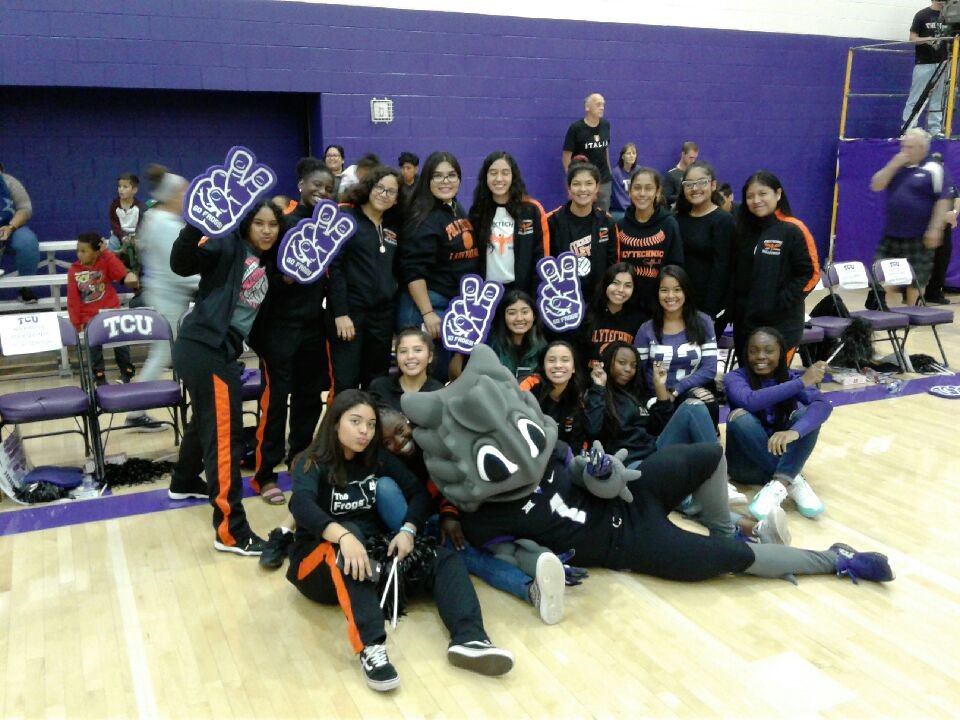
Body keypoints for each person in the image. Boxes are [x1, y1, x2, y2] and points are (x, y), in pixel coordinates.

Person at [404, 344, 895, 589]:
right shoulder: (487, 514)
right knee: (730, 564)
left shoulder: (552, 453)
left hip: (633, 494)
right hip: (631, 544)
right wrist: (538, 571)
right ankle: (836, 559)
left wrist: (605, 475)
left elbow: (587, 474)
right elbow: (501, 556)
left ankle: (727, 528)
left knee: (706, 453)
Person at [286, 389, 514, 692]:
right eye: (355, 422)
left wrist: (408, 530)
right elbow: (300, 505)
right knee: (349, 545)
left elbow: (419, 493)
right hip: (315, 564)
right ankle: (372, 648)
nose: (364, 431)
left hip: (371, 554)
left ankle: (470, 638)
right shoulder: (310, 461)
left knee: (443, 559)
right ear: (335, 422)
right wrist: (342, 535)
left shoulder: (376, 458)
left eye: (369, 425)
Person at [167, 199, 284, 556]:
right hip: (205, 346)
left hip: (218, 349)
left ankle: (184, 481)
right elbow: (182, 263)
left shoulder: (269, 262)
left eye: (273, 225)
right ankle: (231, 531)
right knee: (224, 437)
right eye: (259, 223)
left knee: (207, 423)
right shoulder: (227, 244)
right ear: (247, 224)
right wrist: (194, 227)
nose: (266, 230)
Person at [248, 158, 335, 506]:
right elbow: (257, 275)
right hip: (278, 328)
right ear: (301, 184)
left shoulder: (331, 229)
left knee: (309, 398)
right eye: (316, 185)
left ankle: (299, 459)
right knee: (275, 402)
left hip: (313, 326)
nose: (322, 192)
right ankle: (264, 473)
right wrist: (281, 279)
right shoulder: (283, 225)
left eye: (329, 188)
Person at [726, 327, 831, 520]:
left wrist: (795, 432)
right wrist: (801, 383)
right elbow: (750, 401)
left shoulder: (789, 377)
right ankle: (792, 480)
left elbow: (823, 405)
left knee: (806, 416)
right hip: (745, 467)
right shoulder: (735, 377)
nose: (760, 356)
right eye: (753, 350)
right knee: (740, 417)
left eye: (768, 350)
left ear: (781, 353)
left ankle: (780, 483)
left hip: (780, 455)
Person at [124, 165, 196, 431]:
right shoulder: (166, 224)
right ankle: (135, 411)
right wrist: (207, 280)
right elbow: (177, 269)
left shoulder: (155, 217)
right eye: (183, 193)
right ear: (173, 195)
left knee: (165, 353)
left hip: (163, 292)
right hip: (167, 296)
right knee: (162, 353)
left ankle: (138, 408)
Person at [396, 151, 478, 378]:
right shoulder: (422, 216)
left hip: (449, 304)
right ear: (427, 180)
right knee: (425, 382)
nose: (446, 181)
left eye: (451, 175)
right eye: (438, 176)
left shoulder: (454, 208)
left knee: (442, 378)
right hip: (426, 306)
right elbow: (413, 270)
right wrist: (428, 312)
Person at [329, 165, 402, 391]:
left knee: (377, 380)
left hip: (382, 316)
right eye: (380, 188)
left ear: (397, 199)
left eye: (391, 191)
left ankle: (372, 426)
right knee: (346, 382)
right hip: (350, 314)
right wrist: (341, 313)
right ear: (368, 188)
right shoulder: (346, 218)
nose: (384, 194)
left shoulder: (393, 227)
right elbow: (335, 269)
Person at [731, 171, 818, 362]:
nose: (756, 200)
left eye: (763, 194)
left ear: (778, 194)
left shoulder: (793, 229)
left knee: (773, 384)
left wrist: (779, 303)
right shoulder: (742, 230)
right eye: (750, 196)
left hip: (781, 324)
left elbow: (810, 274)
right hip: (745, 322)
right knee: (749, 380)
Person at [870, 128, 952, 306]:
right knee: (883, 273)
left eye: (910, 147)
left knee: (917, 278)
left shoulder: (934, 169)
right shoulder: (896, 167)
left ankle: (912, 312)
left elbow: (943, 200)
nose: (905, 150)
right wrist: (893, 164)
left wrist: (935, 229)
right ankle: (888, 311)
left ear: (922, 148)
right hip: (892, 233)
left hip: (919, 235)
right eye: (903, 146)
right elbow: (876, 185)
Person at [635, 266, 720, 427]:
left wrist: (676, 390)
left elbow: (709, 369)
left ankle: (710, 448)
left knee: (706, 401)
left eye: (677, 289)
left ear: (686, 292)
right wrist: (661, 393)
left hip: (689, 391)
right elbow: (639, 372)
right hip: (655, 394)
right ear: (657, 293)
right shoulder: (646, 329)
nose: (670, 296)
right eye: (664, 290)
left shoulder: (703, 322)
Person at [470, 151, 549, 296]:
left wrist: (532, 296)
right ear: (485, 177)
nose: (499, 178)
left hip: (521, 294)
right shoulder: (478, 211)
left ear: (514, 176)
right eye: (493, 173)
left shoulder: (531, 210)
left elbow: (541, 257)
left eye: (505, 173)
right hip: (487, 294)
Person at [66, 232, 139, 385]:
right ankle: (98, 376)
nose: (80, 254)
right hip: (90, 317)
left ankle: (127, 371)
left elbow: (120, 273)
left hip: (111, 312)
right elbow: (73, 299)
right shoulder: (74, 270)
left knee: (121, 343)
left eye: (84, 251)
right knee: (93, 347)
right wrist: (75, 322)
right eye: (78, 250)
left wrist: (107, 252)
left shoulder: (105, 262)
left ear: (96, 251)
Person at [614, 167, 684, 316]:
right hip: (626, 305)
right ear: (630, 191)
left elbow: (676, 266)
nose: (642, 193)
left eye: (648, 188)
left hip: (659, 306)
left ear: (657, 192)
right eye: (637, 188)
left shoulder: (669, 224)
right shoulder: (620, 226)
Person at [674, 161, 736, 327]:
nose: (695, 189)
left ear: (713, 185)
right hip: (677, 302)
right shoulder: (676, 219)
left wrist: (710, 311)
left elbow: (723, 268)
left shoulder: (724, 221)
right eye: (689, 184)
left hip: (709, 307)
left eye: (701, 182)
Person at [547, 161, 616, 302]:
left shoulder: (606, 222)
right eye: (577, 184)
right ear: (569, 188)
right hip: (562, 301)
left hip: (597, 302)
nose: (583, 189)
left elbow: (612, 264)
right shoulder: (552, 221)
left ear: (597, 187)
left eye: (589, 183)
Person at [449, 289, 547, 382]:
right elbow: (458, 379)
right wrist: (460, 350)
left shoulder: (542, 347)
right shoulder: (488, 345)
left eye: (525, 312)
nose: (519, 318)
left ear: (534, 316)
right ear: (503, 317)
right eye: (512, 313)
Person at [519, 340, 594, 453]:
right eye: (551, 360)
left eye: (565, 360)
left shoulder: (576, 400)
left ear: (574, 368)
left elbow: (578, 443)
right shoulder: (529, 385)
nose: (558, 365)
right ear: (543, 366)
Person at [579, 262, 647, 367]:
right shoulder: (586, 313)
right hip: (589, 380)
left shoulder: (639, 320)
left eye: (628, 286)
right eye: (615, 283)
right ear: (606, 284)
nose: (620, 290)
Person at [368, 327, 443, 412]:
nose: (410, 356)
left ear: (430, 357)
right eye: (403, 351)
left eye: (417, 350)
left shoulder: (438, 392)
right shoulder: (380, 387)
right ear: (397, 358)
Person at [903, 1, 947, 137]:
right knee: (916, 97)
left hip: (942, 63)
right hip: (924, 63)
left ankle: (935, 129)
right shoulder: (922, 15)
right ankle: (908, 127)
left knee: (938, 99)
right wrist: (927, 39)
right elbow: (912, 38)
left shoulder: (949, 18)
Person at [562, 93, 613, 211]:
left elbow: (605, 149)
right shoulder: (576, 128)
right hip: (583, 180)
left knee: (602, 214)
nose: (602, 107)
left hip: (604, 179)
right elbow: (566, 156)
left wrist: (609, 172)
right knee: (582, 211)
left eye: (603, 104)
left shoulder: (606, 125)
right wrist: (570, 178)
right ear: (587, 107)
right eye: (598, 104)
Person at [0, 163, 42, 303]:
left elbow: (25, 209)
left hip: (10, 227)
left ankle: (25, 287)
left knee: (28, 242)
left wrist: (10, 227)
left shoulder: (10, 182)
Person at [925, 151, 957, 304]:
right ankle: (911, 292)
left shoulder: (947, 180)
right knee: (920, 261)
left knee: (942, 260)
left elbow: (956, 197)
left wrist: (954, 213)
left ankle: (934, 292)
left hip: (944, 228)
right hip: (925, 226)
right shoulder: (924, 179)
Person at [107, 172, 145, 268]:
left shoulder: (139, 207)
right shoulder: (114, 206)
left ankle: (139, 268)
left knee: (143, 246)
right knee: (112, 243)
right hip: (119, 235)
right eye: (119, 186)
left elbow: (141, 225)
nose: (121, 190)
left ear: (134, 190)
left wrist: (136, 237)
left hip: (135, 235)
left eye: (125, 187)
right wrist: (122, 237)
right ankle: (112, 266)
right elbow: (114, 224)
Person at [661, 141, 699, 207]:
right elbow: (666, 197)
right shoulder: (671, 174)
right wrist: (685, 195)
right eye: (691, 157)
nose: (693, 161)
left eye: (695, 158)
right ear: (683, 154)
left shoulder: (697, 173)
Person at [610, 143, 637, 222]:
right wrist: (630, 209)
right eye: (629, 153)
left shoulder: (638, 171)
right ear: (622, 156)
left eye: (634, 153)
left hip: (637, 207)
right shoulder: (616, 173)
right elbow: (618, 195)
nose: (632, 156)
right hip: (621, 210)